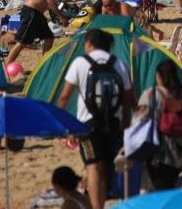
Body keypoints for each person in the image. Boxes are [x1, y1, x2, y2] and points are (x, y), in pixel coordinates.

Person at [57, 28, 134, 209]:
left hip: (87, 125)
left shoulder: (80, 63)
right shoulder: (120, 64)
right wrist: (126, 124)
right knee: (106, 166)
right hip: (113, 123)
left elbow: (64, 97)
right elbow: (128, 99)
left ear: (89, 44)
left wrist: (64, 125)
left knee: (93, 166)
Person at [135, 61, 182, 191]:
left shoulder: (152, 94)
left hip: (159, 155)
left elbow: (138, 121)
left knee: (159, 192)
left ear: (158, 77)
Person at [4, 0, 68, 68]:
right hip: (31, 13)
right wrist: (61, 17)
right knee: (21, 42)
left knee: (49, 38)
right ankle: (6, 68)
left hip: (37, 14)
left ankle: (44, 65)